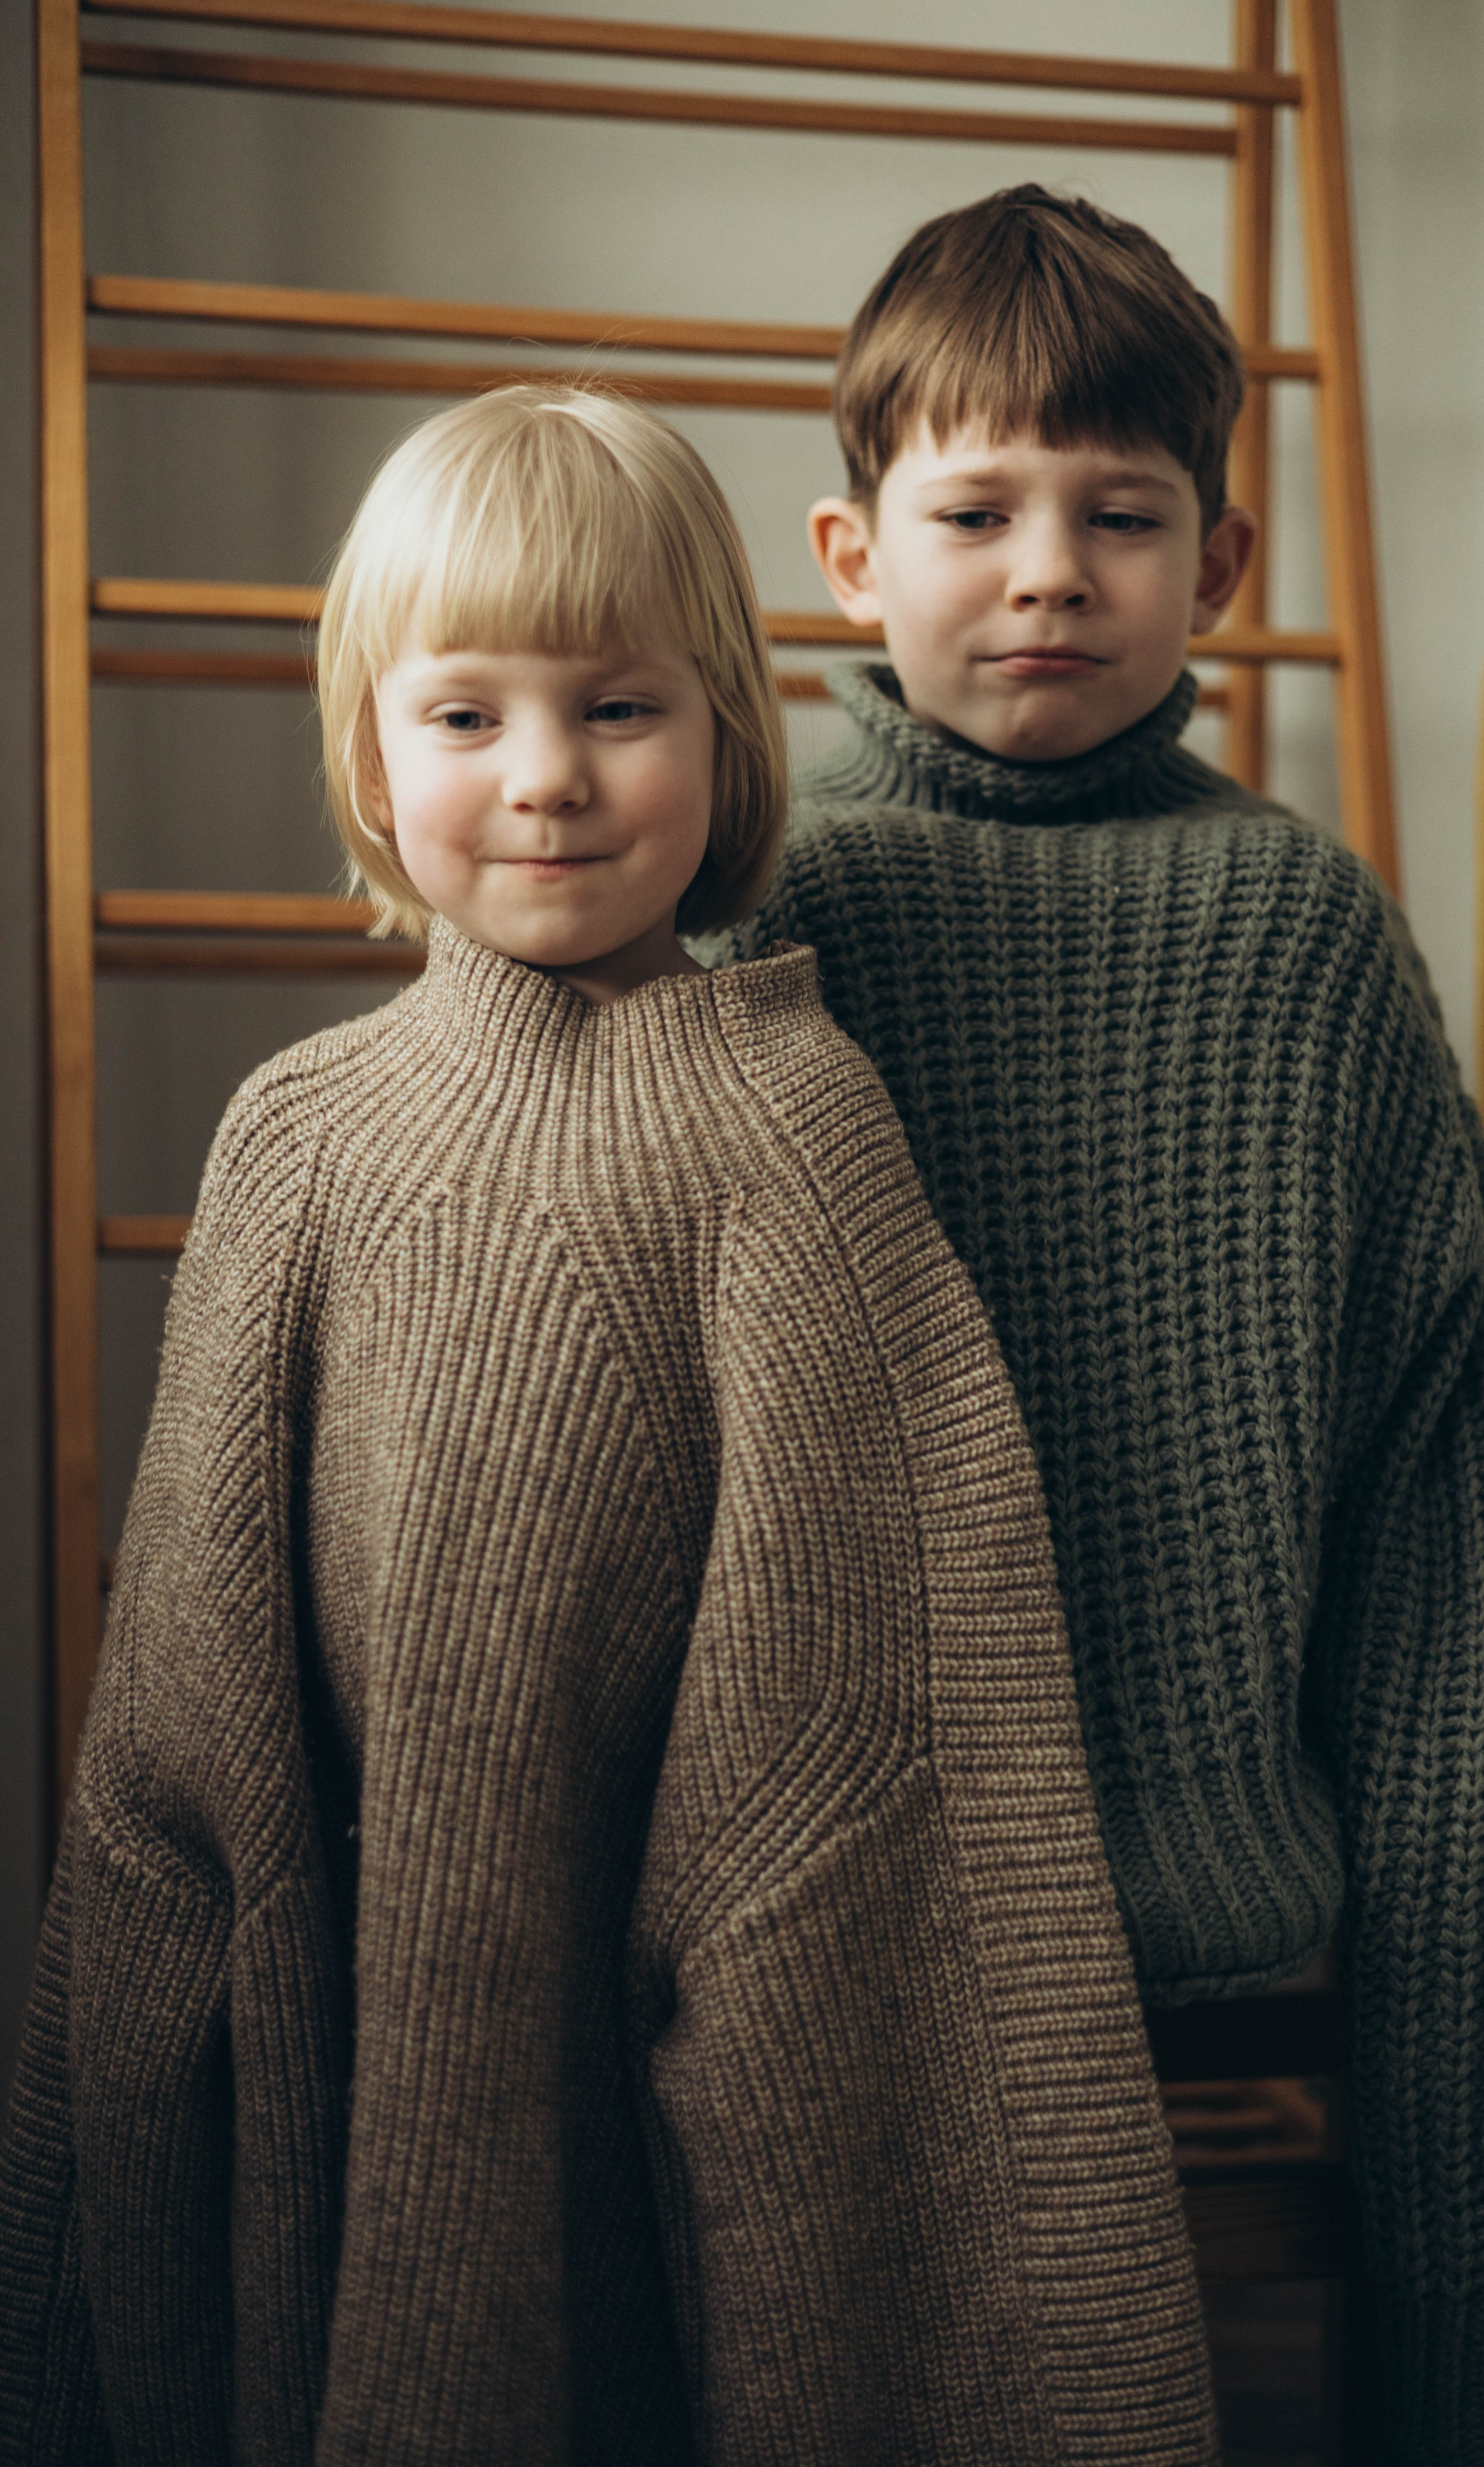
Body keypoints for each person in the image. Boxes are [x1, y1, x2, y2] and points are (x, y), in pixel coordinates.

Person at [0, 386, 1217, 2465]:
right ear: (371, 760)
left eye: (620, 709)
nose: (547, 780)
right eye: (465, 716)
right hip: (359, 2049)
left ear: (728, 737)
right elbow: (178, 1736)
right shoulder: (294, 1141)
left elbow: (881, 1749)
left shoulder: (787, 1131)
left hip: (644, 2071)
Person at [738, 182, 1484, 2459]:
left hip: (1222, 1895)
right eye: (977, 508)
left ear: (1220, 568)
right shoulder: (765, 904)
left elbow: (1430, 1483)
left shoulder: (1309, 933)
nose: (1051, 566)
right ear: (855, 556)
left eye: (1123, 513)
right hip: (824, 1905)